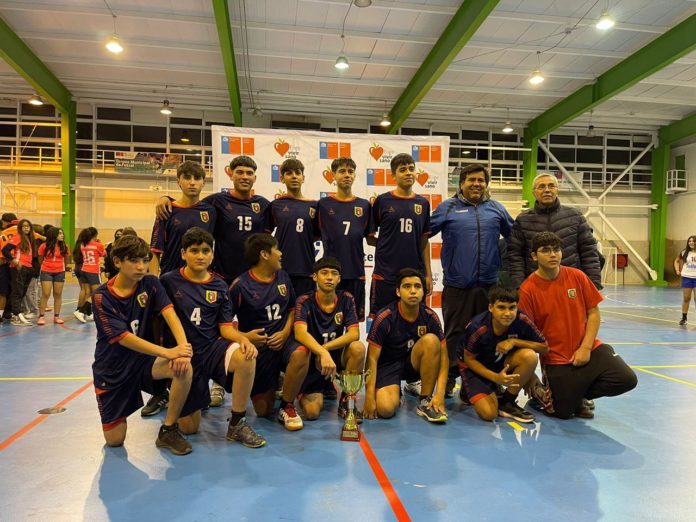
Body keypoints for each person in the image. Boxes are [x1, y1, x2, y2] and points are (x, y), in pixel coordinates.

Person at [159, 227, 266, 447]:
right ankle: (180, 394)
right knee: (189, 428)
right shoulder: (168, 281)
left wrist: (243, 339)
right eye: (194, 250)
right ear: (183, 254)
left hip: (211, 349)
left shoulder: (219, 286)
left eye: (206, 251)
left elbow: (225, 328)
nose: (200, 256)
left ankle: (237, 423)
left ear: (212, 254)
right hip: (184, 355)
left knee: (247, 356)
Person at [91, 234, 194, 455]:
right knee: (115, 441)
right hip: (112, 370)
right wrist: (168, 351)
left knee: (183, 368)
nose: (141, 266)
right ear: (117, 262)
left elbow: (170, 314)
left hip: (143, 363)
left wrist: (183, 350)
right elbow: (125, 338)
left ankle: (168, 429)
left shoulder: (151, 283)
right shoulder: (101, 297)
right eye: (134, 261)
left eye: (145, 260)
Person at [518, 232, 637, 420]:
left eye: (556, 250)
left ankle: (579, 395)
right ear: (534, 256)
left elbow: (593, 312)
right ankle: (542, 393)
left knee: (626, 379)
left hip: (588, 350)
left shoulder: (577, 276)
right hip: (556, 359)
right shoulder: (527, 289)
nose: (553, 255)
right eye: (545, 251)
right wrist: (530, 375)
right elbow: (525, 334)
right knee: (562, 413)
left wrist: (586, 347)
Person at [429, 164, 514, 399]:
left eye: (481, 180)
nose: (476, 184)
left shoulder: (496, 209)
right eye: (471, 180)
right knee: (455, 333)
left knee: (488, 334)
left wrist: (508, 274)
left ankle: (488, 377)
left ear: (486, 184)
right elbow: (422, 232)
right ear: (462, 183)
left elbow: (514, 237)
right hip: (457, 285)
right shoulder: (447, 208)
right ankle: (450, 378)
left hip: (488, 286)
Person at [229, 233, 309, 431]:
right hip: (259, 351)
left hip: (283, 344)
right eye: (277, 249)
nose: (281, 253)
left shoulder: (283, 276)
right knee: (263, 411)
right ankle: (276, 380)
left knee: (301, 353)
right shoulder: (240, 286)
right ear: (264, 254)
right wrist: (245, 338)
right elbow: (223, 323)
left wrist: (284, 332)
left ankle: (287, 405)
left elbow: (292, 309)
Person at [156, 155, 270, 284]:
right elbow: (190, 205)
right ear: (231, 175)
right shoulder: (216, 201)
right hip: (222, 275)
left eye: (249, 173)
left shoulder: (264, 205)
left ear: (255, 178)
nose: (244, 177)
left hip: (253, 275)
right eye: (239, 172)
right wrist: (166, 199)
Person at [364, 268, 448, 423]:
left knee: (431, 340)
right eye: (407, 286)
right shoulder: (385, 317)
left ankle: (425, 400)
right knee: (385, 410)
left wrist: (440, 395)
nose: (413, 291)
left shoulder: (430, 317)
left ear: (423, 292)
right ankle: (394, 392)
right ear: (398, 292)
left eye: (417, 286)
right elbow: (371, 359)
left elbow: (444, 359)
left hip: (412, 364)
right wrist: (369, 396)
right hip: (388, 365)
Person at [457, 286, 547, 423]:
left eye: (512, 307)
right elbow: (469, 360)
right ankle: (470, 389)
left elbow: (544, 347)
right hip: (475, 367)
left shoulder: (522, 319)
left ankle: (507, 402)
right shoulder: (477, 327)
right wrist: (495, 378)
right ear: (490, 307)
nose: (507, 313)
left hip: (501, 362)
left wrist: (514, 341)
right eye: (501, 307)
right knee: (489, 414)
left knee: (529, 356)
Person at [294, 257, 366, 421]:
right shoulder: (304, 300)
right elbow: (300, 333)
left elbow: (354, 333)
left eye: (334, 274)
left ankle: (347, 401)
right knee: (312, 413)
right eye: (324, 273)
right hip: (311, 360)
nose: (329, 277)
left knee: (358, 348)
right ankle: (317, 387)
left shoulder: (346, 298)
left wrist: (325, 349)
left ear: (339, 279)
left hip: (333, 356)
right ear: (314, 277)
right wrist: (320, 352)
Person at [508, 173, 601, 289]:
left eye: (551, 186)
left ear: (557, 190)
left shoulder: (576, 216)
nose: (547, 190)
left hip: (570, 285)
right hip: (535, 287)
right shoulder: (522, 220)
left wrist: (593, 285)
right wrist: (519, 286)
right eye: (541, 187)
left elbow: (589, 252)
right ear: (534, 193)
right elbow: (515, 256)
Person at [367, 153, 432, 319]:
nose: (409, 172)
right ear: (393, 175)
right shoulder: (382, 201)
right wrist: (389, 244)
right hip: (385, 274)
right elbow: (369, 236)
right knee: (380, 320)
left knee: (415, 321)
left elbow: (424, 241)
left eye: (411, 169)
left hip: (414, 274)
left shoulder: (423, 203)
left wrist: (428, 275)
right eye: (403, 170)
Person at [317, 157, 372, 322]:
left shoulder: (364, 206)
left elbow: (371, 239)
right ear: (333, 175)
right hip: (330, 274)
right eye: (342, 171)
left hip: (355, 273)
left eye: (350, 171)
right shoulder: (323, 205)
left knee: (352, 322)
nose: (347, 175)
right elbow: (312, 235)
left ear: (355, 176)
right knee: (327, 319)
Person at [150, 161, 216, 277]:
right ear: (178, 181)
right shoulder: (166, 209)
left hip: (200, 279)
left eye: (197, 178)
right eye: (187, 178)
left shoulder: (211, 211)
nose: (192, 183)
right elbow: (155, 250)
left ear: (203, 182)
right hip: (171, 278)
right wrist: (153, 283)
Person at [269, 158, 319, 296]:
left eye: (297, 173)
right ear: (282, 178)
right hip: (280, 269)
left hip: (306, 268)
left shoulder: (314, 205)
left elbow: (317, 234)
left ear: (303, 178)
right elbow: (266, 235)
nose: (294, 176)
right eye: (289, 173)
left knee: (303, 312)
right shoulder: (275, 205)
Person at [2, 219, 36, 326]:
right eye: (24, 226)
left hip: (27, 267)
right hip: (18, 268)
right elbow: (5, 249)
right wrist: (13, 260)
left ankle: (16, 313)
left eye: (28, 226)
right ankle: (16, 315)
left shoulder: (28, 238)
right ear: (20, 228)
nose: (26, 228)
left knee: (22, 292)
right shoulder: (18, 237)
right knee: (17, 292)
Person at [37, 227, 69, 325]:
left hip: (60, 272)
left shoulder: (65, 246)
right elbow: (40, 259)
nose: (62, 235)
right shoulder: (44, 246)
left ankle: (57, 316)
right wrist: (46, 266)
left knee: (58, 294)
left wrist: (61, 268)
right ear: (53, 235)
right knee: (46, 293)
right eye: (59, 233)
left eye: (62, 233)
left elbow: (66, 260)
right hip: (46, 271)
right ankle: (41, 316)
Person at [73, 227, 105, 323]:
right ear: (95, 235)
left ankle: (86, 312)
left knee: (87, 292)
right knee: (97, 293)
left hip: (84, 270)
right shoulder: (98, 245)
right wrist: (100, 244)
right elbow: (103, 254)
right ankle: (81, 311)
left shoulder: (82, 245)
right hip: (93, 271)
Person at [0, 213, 18, 323]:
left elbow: (4, 255)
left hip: (2, 267)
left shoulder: (3, 237)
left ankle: (1, 314)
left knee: (3, 292)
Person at [674, 235, 696, 325]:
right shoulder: (684, 252)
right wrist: (677, 270)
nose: (691, 242)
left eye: (693, 241)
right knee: (686, 298)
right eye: (689, 241)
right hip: (687, 277)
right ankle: (684, 318)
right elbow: (676, 261)